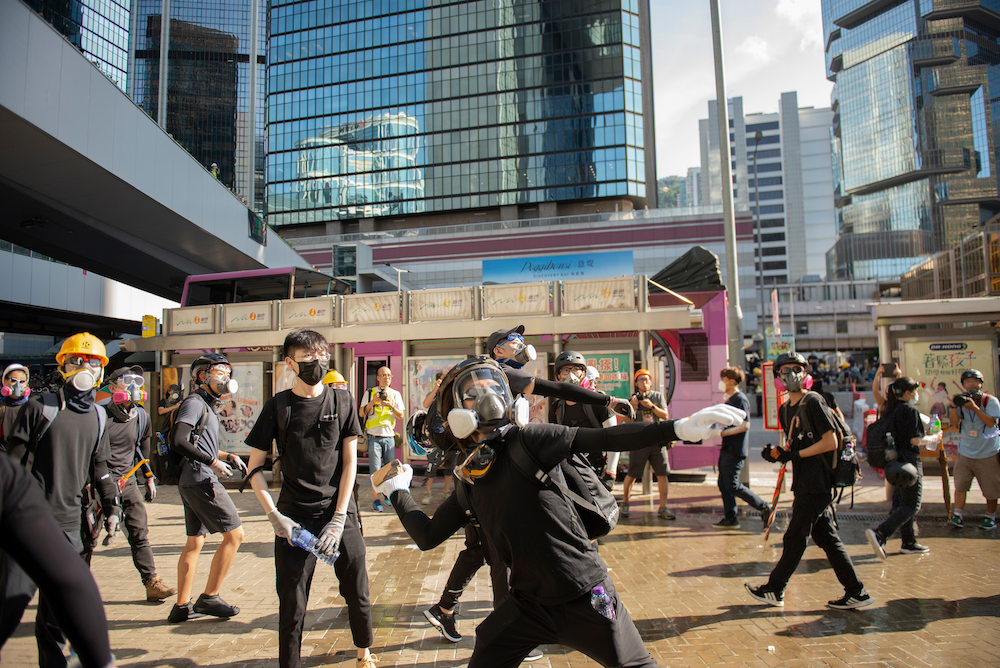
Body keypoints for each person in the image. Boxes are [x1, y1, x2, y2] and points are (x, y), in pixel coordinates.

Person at [374, 356, 745, 668]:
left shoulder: (529, 440)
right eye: (472, 394)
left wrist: (678, 428)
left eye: (491, 387)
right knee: (486, 649)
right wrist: (399, 493)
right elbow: (427, 536)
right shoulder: (469, 482)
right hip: (527, 604)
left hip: (586, 592)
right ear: (453, 415)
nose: (487, 397)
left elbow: (605, 438)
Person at [420, 326, 635, 645]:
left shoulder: (499, 374)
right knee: (498, 552)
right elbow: (555, 389)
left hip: (488, 470)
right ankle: (506, 631)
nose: (521, 344)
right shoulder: (499, 373)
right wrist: (608, 399)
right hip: (487, 472)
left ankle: (448, 608)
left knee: (483, 547)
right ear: (497, 351)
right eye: (512, 341)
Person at [246, 330, 376, 668]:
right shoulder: (278, 407)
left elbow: (350, 464)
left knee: (358, 593)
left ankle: (364, 653)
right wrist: (275, 516)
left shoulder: (343, 401)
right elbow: (254, 468)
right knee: (292, 604)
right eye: (307, 358)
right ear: (289, 363)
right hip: (293, 518)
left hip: (339, 513)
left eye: (321, 356)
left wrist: (338, 518)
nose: (316, 363)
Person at [0, 333, 122, 666]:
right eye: (75, 361)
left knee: (58, 614)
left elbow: (102, 468)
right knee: (7, 605)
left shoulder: (99, 417)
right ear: (63, 367)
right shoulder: (41, 407)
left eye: (92, 361)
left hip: (74, 528)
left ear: (101, 371)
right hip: (30, 525)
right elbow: (12, 466)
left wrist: (112, 507)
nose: (84, 366)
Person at [746, 351, 873, 610]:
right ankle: (856, 592)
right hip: (804, 480)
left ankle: (775, 588)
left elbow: (830, 442)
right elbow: (797, 444)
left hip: (819, 481)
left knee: (794, 536)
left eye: (797, 369)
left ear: (806, 374)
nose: (791, 374)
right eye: (785, 370)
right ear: (777, 377)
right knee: (827, 538)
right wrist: (778, 455)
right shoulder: (785, 409)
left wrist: (794, 454)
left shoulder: (813, 401)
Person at [0, 454, 116, 668]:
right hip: (42, 520)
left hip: (71, 520)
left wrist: (112, 506)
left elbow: (101, 469)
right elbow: (71, 583)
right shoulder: (7, 476)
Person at [167, 353, 248, 623]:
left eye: (228, 371)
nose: (226, 377)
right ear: (202, 376)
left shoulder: (204, 404)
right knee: (235, 535)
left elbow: (198, 443)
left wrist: (226, 456)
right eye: (219, 371)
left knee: (195, 541)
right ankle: (209, 597)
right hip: (201, 478)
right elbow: (178, 440)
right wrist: (212, 462)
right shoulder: (194, 403)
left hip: (191, 478)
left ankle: (181, 606)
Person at [96, 366, 176, 601]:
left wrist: (149, 477)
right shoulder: (100, 416)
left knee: (139, 531)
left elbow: (142, 450)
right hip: (101, 480)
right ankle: (74, 588)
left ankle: (152, 582)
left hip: (128, 481)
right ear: (112, 388)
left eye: (137, 381)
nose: (133, 386)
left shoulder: (141, 416)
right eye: (126, 381)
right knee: (88, 538)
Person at [864, 377, 940, 559]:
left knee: (903, 503)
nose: (916, 394)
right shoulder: (909, 410)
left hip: (893, 463)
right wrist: (934, 438)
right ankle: (881, 533)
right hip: (909, 463)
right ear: (907, 392)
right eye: (914, 391)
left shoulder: (889, 410)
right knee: (912, 505)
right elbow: (916, 440)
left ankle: (909, 542)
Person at [713, 366, 770, 529]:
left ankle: (764, 507)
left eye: (723, 378)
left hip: (735, 450)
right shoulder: (730, 399)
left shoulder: (740, 399)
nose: (721, 381)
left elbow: (745, 425)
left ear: (732, 381)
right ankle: (731, 518)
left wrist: (724, 433)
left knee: (732, 484)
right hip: (727, 449)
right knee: (724, 484)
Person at [549, 351, 617, 485]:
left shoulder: (598, 401)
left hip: (596, 471)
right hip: (569, 473)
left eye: (576, 369)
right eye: (565, 370)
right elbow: (553, 441)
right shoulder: (556, 408)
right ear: (558, 376)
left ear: (584, 373)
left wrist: (610, 473)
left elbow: (614, 436)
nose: (571, 375)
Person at [947, 369, 1000, 530]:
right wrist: (955, 406)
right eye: (967, 382)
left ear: (981, 384)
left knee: (991, 489)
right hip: (965, 452)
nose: (971, 384)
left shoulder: (990, 401)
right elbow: (954, 423)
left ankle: (990, 517)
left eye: (974, 381)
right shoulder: (962, 402)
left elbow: (991, 423)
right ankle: (957, 515)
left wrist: (975, 408)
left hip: (988, 452)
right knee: (961, 485)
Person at [620, 369, 674, 520]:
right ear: (636, 383)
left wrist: (651, 406)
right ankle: (625, 503)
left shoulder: (657, 397)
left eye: (647, 379)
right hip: (639, 442)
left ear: (651, 382)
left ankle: (663, 507)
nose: (644, 383)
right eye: (641, 380)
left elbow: (665, 415)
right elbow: (627, 422)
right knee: (632, 474)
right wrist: (634, 407)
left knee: (662, 474)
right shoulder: (632, 399)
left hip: (657, 441)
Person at [361, 367, 404, 512]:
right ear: (377, 377)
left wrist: (390, 406)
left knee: (389, 470)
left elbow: (401, 415)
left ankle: (387, 496)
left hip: (389, 437)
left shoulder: (395, 394)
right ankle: (376, 500)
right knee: (375, 470)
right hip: (373, 436)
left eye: (389, 375)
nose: (387, 377)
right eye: (384, 375)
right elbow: (362, 413)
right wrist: (373, 402)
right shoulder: (369, 393)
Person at [421, 372, 454, 505]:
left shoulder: (452, 395)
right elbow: (425, 404)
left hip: (449, 436)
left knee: (449, 466)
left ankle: (446, 492)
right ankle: (428, 493)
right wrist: (436, 389)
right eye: (441, 380)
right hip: (434, 436)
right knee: (431, 465)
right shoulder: (434, 394)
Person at [0, 364, 31, 454]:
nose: (18, 385)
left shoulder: (33, 407)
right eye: (13, 380)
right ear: (5, 382)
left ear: (26, 383)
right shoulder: (2, 407)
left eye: (22, 381)